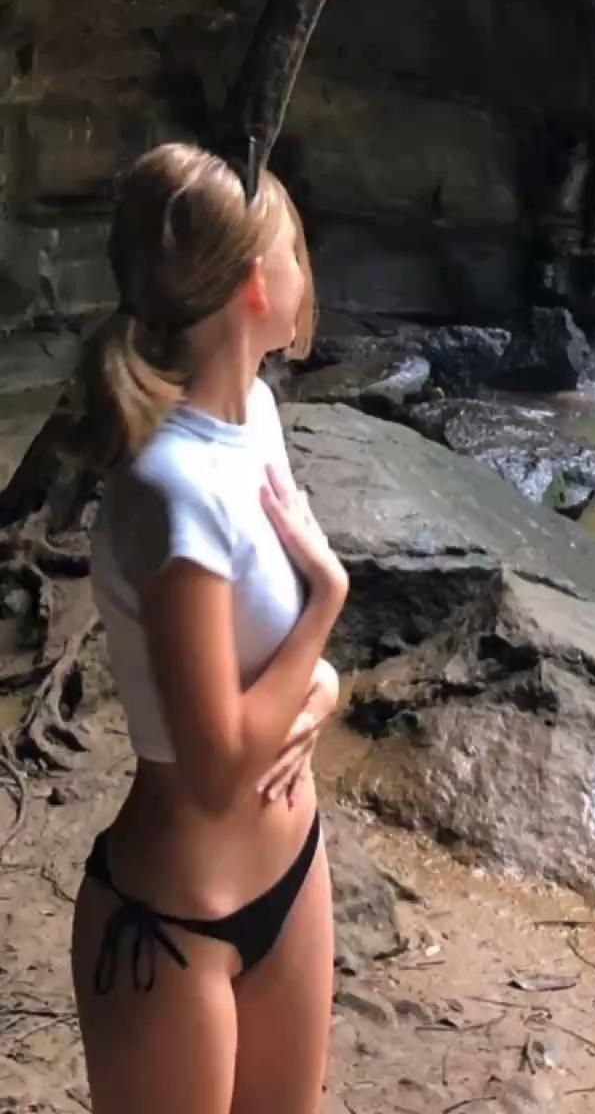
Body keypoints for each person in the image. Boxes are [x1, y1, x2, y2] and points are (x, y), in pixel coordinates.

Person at [70, 142, 348, 1114]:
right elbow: (220, 766)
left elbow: (280, 665)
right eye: (296, 251)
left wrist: (325, 686)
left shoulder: (254, 416)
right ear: (254, 285)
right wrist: (328, 605)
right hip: (172, 927)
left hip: (293, 872)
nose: (308, 271)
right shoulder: (171, 492)